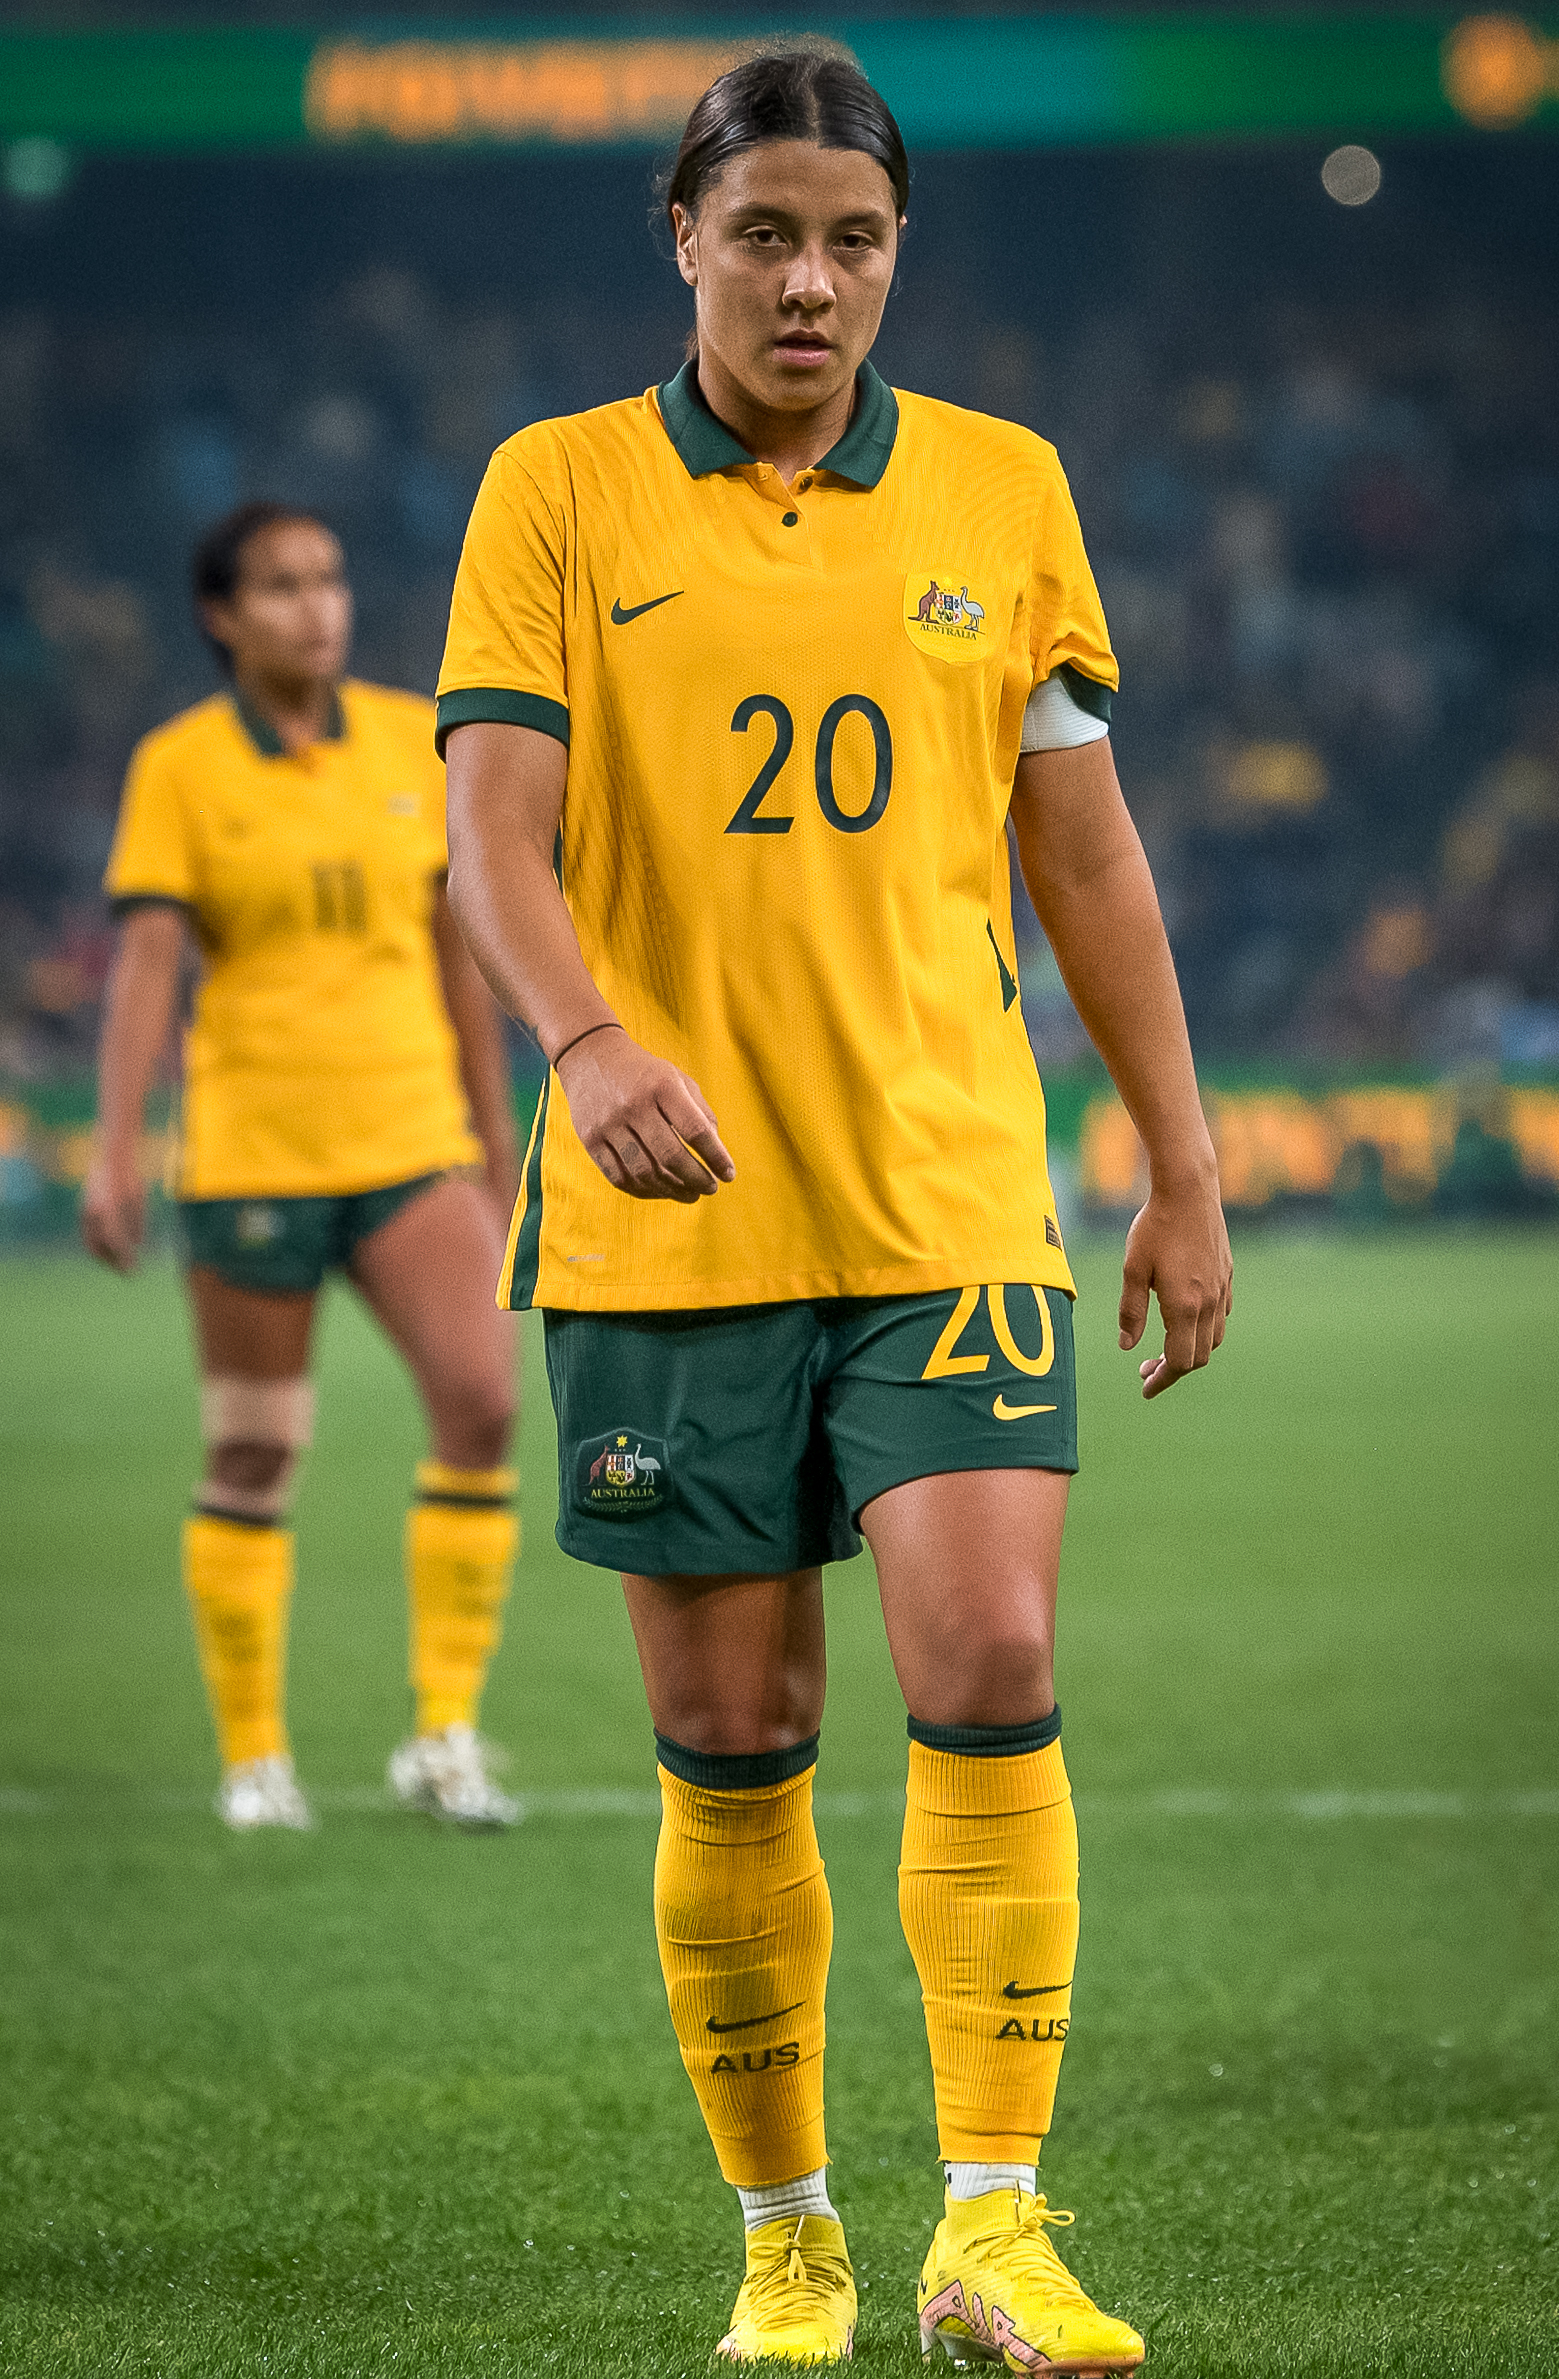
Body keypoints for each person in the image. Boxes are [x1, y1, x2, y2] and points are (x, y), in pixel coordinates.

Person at [441, 44, 1230, 2371]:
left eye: (854, 240)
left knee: (989, 1664)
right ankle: (789, 2235)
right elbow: (492, 831)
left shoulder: (1003, 490)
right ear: (681, 236)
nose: (810, 281)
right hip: (666, 1216)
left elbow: (1082, 849)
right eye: (765, 233)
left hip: (948, 1186)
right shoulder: (557, 494)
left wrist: (1181, 1163)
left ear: (901, 258)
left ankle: (993, 2218)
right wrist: (588, 1043)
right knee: (738, 1734)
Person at [83, 502, 524, 1833]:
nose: (316, 607)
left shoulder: (410, 738)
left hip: (410, 1142)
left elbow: (462, 948)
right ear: (222, 616)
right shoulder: (181, 767)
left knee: (486, 1404)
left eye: (327, 579)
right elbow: (148, 971)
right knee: (256, 1449)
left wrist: (497, 1143)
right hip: (255, 1150)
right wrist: (113, 1155)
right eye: (280, 586)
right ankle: (257, 1758)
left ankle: (445, 1731)